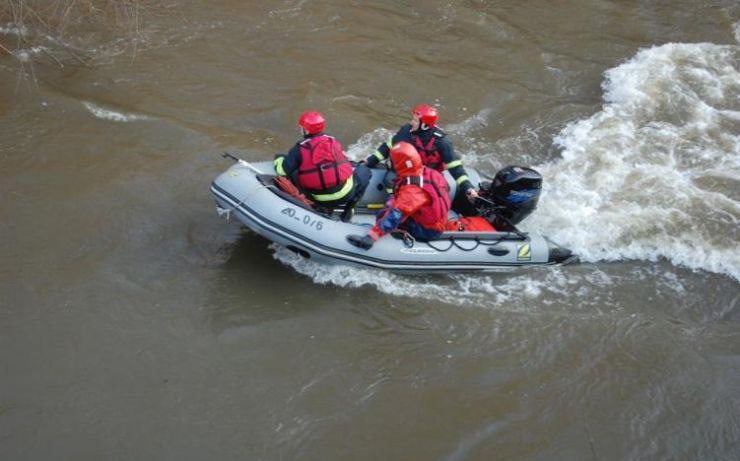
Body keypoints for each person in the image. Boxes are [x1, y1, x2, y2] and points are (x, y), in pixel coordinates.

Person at [363, 104, 478, 215]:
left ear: (425, 125)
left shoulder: (442, 142)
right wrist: (370, 162)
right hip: (409, 172)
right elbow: (388, 147)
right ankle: (394, 202)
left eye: (416, 121)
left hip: (429, 177)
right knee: (390, 178)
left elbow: (455, 167)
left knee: (436, 192)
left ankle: (418, 211)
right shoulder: (406, 131)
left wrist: (468, 187)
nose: (412, 123)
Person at [347, 142, 451, 250]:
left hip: (427, 229)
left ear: (401, 164)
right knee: (390, 204)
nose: (388, 162)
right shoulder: (429, 172)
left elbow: (395, 216)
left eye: (392, 161)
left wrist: (372, 236)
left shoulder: (413, 191)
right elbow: (446, 188)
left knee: (385, 214)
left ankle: (388, 235)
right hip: (435, 219)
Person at [274, 111, 370, 222]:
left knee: (296, 173)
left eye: (301, 127)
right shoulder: (333, 141)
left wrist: (279, 158)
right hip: (345, 194)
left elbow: (281, 171)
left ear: (306, 130)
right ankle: (349, 210)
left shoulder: (300, 148)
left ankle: (319, 207)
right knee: (365, 171)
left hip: (317, 198)